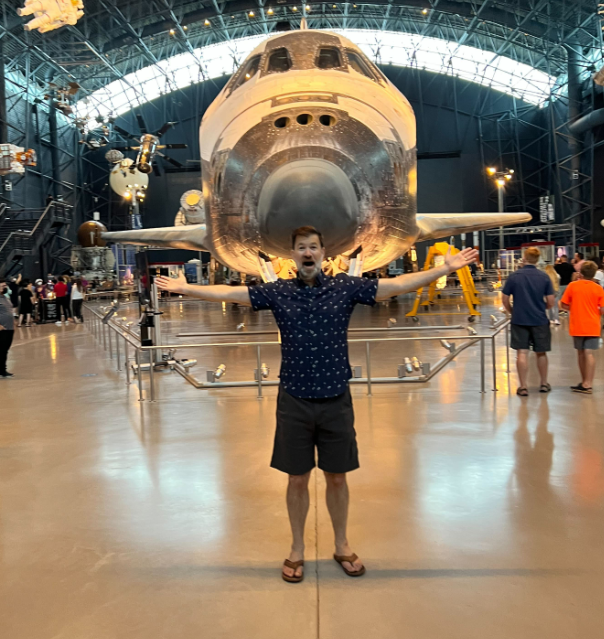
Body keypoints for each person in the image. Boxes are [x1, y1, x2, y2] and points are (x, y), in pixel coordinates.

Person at [155, 226, 477, 582]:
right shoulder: (277, 293)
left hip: (336, 397)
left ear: (324, 253)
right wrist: (186, 288)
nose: (307, 253)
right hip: (294, 398)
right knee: (297, 479)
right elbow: (233, 293)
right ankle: (296, 548)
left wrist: (445, 269)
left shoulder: (345, 288)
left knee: (337, 478)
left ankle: (341, 544)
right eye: (301, 248)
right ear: (293, 255)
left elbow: (397, 286)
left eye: (313, 247)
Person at [502, 246, 555, 396]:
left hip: (519, 319)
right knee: (541, 353)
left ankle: (523, 386)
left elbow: (505, 300)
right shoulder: (544, 277)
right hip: (539, 320)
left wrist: (513, 311)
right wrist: (541, 307)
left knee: (522, 353)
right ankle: (544, 383)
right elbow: (551, 301)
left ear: (524, 258)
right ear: (537, 260)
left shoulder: (514, 276)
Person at [560, 261, 604, 394]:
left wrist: (574, 308)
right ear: (594, 274)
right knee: (589, 353)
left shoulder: (573, 286)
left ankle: (583, 381)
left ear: (580, 272)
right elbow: (603, 309)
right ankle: (589, 383)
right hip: (593, 325)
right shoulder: (598, 288)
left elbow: (563, 305)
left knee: (580, 353)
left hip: (577, 325)